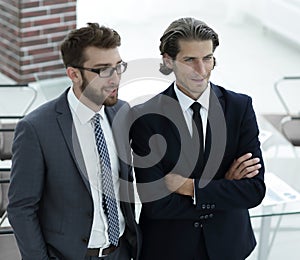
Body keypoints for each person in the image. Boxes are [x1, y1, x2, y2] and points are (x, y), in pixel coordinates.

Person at [130, 17, 265, 260]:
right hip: (169, 249)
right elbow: (157, 206)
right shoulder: (145, 118)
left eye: (207, 58)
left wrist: (189, 187)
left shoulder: (239, 107)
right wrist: (224, 185)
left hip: (229, 246)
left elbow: (253, 191)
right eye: (190, 60)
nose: (201, 70)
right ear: (168, 62)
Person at [8, 23, 141, 260]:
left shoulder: (122, 112)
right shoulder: (36, 129)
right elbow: (21, 209)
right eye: (103, 70)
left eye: (118, 67)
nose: (115, 79)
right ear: (74, 74)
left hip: (121, 252)